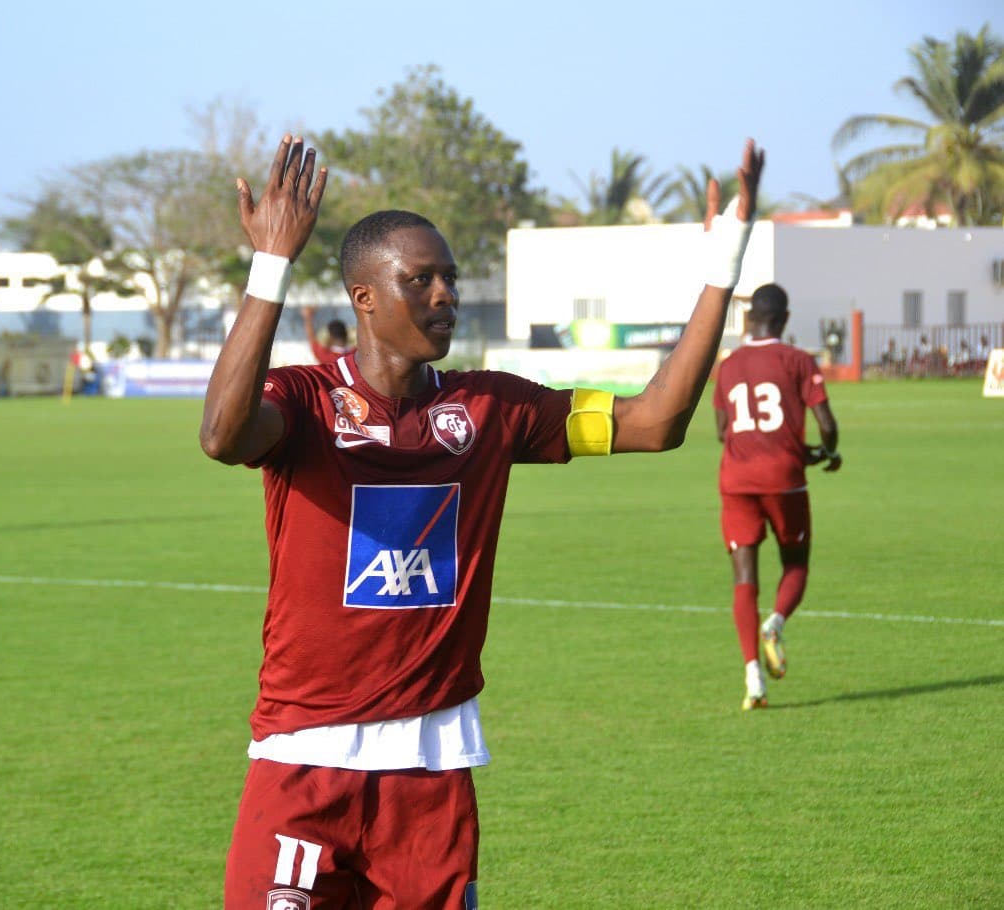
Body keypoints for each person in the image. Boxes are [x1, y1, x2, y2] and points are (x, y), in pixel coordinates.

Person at [201, 135, 763, 908]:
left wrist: (722, 264)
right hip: (303, 760)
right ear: (364, 298)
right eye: (420, 279)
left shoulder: (491, 408)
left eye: (450, 279)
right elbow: (222, 435)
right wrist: (271, 265)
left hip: (432, 771)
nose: (444, 295)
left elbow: (657, 421)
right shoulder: (303, 401)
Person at [713, 283, 841, 710]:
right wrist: (827, 452)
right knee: (796, 566)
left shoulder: (728, 366)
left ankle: (753, 679)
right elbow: (825, 421)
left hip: (736, 480)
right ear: (784, 320)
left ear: (750, 320)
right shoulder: (797, 360)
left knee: (744, 579)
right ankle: (776, 623)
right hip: (785, 480)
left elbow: (721, 430)